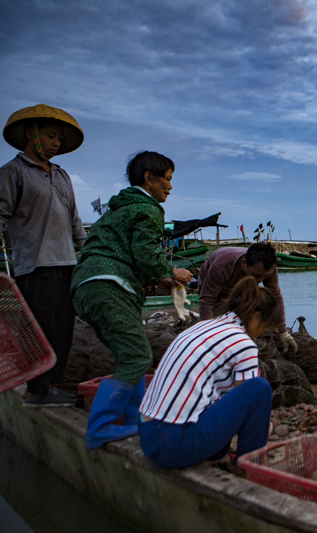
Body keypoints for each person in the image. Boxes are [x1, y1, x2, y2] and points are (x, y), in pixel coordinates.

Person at [71, 151, 193, 449]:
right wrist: (170, 271)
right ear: (149, 179)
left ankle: (136, 419)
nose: (170, 187)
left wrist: (159, 278)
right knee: (139, 356)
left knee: (131, 354)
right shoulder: (149, 209)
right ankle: (99, 427)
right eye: (167, 179)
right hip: (109, 286)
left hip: (86, 286)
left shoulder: (120, 207)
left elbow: (129, 254)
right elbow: (146, 255)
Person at [138, 276, 277, 468]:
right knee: (259, 389)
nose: (261, 333)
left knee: (223, 395)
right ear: (256, 318)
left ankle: (218, 455)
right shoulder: (243, 343)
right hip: (170, 445)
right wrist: (263, 426)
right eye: (265, 326)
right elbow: (249, 401)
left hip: (147, 434)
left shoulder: (204, 326)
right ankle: (250, 466)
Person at [0, 104, 87, 406]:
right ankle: (37, 388)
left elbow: (76, 221)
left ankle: (50, 385)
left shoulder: (62, 176)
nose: (56, 143)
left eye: (59, 140)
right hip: (35, 265)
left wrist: (86, 253)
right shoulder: (13, 172)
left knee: (64, 327)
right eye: (51, 136)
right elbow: (0, 215)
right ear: (30, 134)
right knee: (40, 329)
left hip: (67, 263)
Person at [197, 242, 296, 353]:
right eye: (257, 275)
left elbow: (276, 298)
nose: (260, 280)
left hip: (242, 289)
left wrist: (283, 332)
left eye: (265, 276)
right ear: (244, 263)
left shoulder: (269, 270)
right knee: (218, 324)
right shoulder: (223, 266)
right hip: (218, 288)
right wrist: (209, 335)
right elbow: (207, 300)